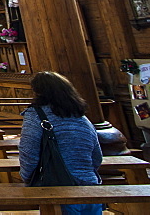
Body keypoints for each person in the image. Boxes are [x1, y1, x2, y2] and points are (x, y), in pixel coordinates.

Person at [18, 71, 102, 214]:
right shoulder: (81, 118)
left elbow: (29, 152)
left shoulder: (36, 116)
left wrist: (27, 177)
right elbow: (96, 156)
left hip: (58, 186)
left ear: (39, 92)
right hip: (90, 187)